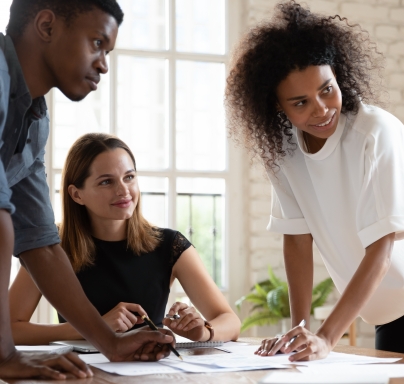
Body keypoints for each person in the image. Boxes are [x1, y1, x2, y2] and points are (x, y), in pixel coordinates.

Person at [225, 1, 404, 364]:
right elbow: (298, 240)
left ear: (338, 74)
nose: (320, 108)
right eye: (300, 102)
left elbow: (382, 247)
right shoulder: (283, 152)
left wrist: (325, 339)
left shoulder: (374, 133)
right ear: (277, 107)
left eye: (327, 89)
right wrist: (300, 328)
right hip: (394, 296)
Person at [0, 0, 174, 380]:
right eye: (97, 43)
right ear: (47, 26)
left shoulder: (34, 122)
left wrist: (109, 343)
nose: (104, 64)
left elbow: (41, 244)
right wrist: (5, 355)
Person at [9, 133, 241, 345]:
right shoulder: (51, 248)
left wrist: (203, 331)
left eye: (129, 177)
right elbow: (9, 328)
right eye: (106, 181)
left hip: (152, 376)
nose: (124, 190)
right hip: (82, 379)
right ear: (76, 194)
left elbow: (230, 321)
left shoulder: (170, 245)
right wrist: (95, 329)